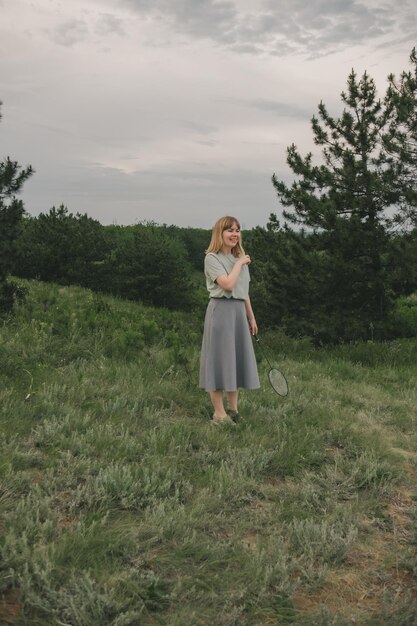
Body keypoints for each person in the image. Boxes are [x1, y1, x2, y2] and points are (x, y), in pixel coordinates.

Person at [199, 215, 260, 425]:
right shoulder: (211, 258)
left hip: (237, 314)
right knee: (218, 362)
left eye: (237, 230)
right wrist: (240, 263)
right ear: (220, 233)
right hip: (220, 312)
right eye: (230, 230)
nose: (235, 234)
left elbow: (244, 292)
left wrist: (251, 317)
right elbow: (227, 284)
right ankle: (219, 414)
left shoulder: (239, 258)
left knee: (234, 361)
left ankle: (233, 410)